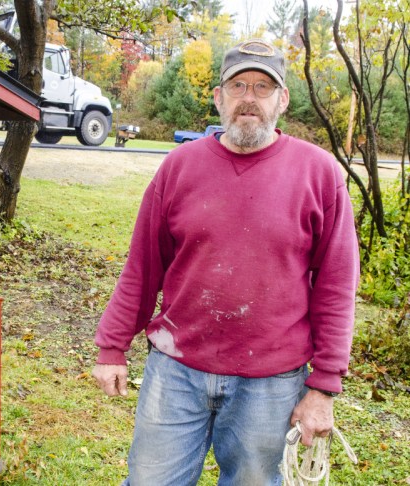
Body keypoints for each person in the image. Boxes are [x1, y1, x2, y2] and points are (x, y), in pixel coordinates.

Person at [92, 38, 359, 485]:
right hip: (176, 369)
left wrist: (324, 385)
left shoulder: (319, 173)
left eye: (262, 87)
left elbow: (336, 285)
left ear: (282, 99)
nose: (249, 98)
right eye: (238, 86)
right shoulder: (180, 167)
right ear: (219, 97)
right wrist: (112, 345)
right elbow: (142, 266)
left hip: (271, 381)